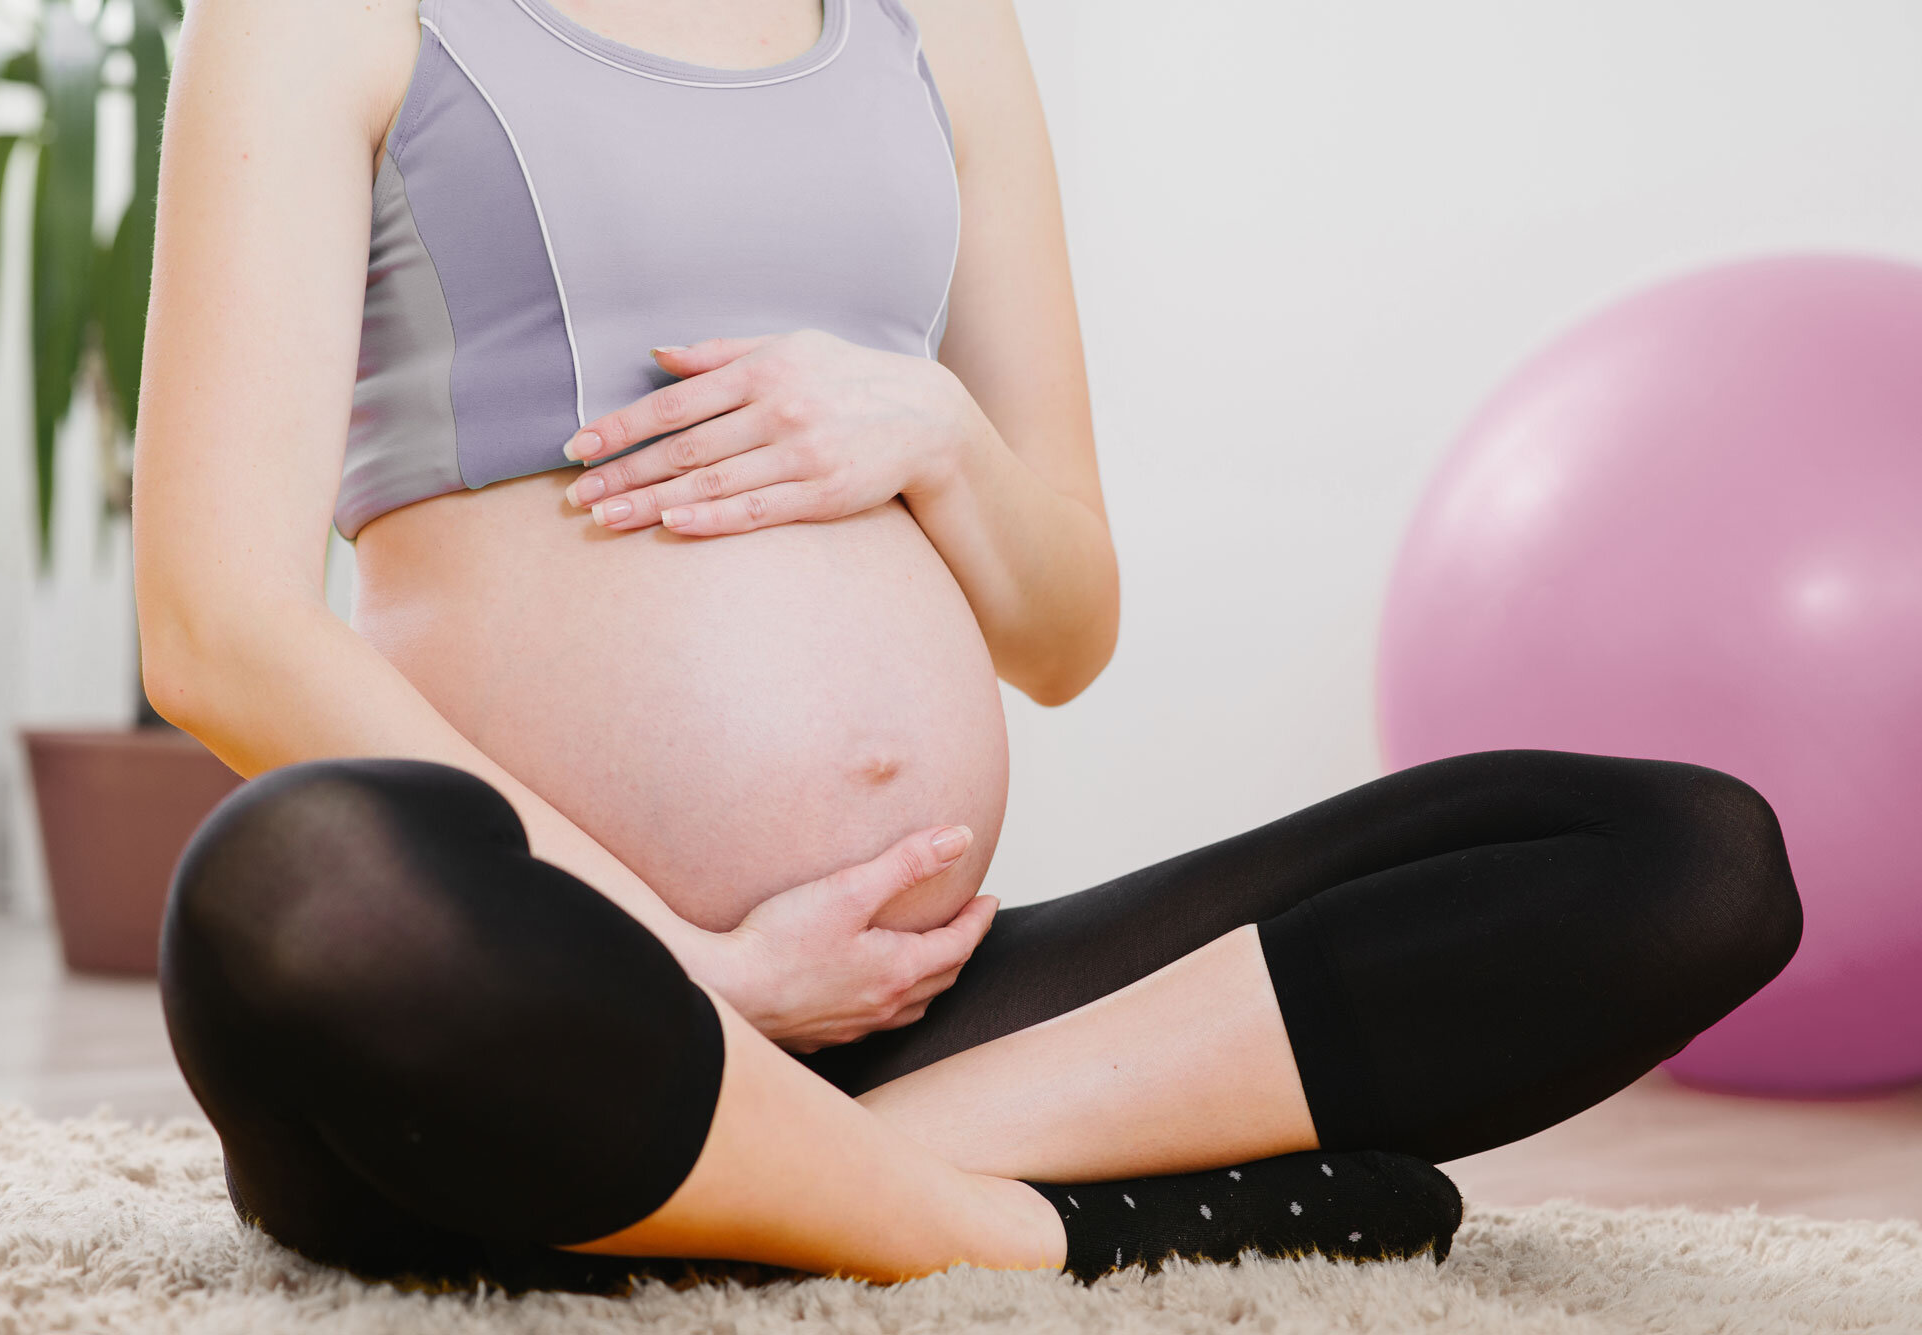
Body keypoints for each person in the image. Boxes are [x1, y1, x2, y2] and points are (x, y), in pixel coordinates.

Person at [132, 0, 1805, 1294]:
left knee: (1684, 859)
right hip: (524, 1009)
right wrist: (689, 967)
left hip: (913, 999)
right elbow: (215, 628)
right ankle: (1021, 1234)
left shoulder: (938, 24)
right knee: (299, 883)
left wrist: (932, 430)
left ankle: (766, 1190)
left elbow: (1065, 631)